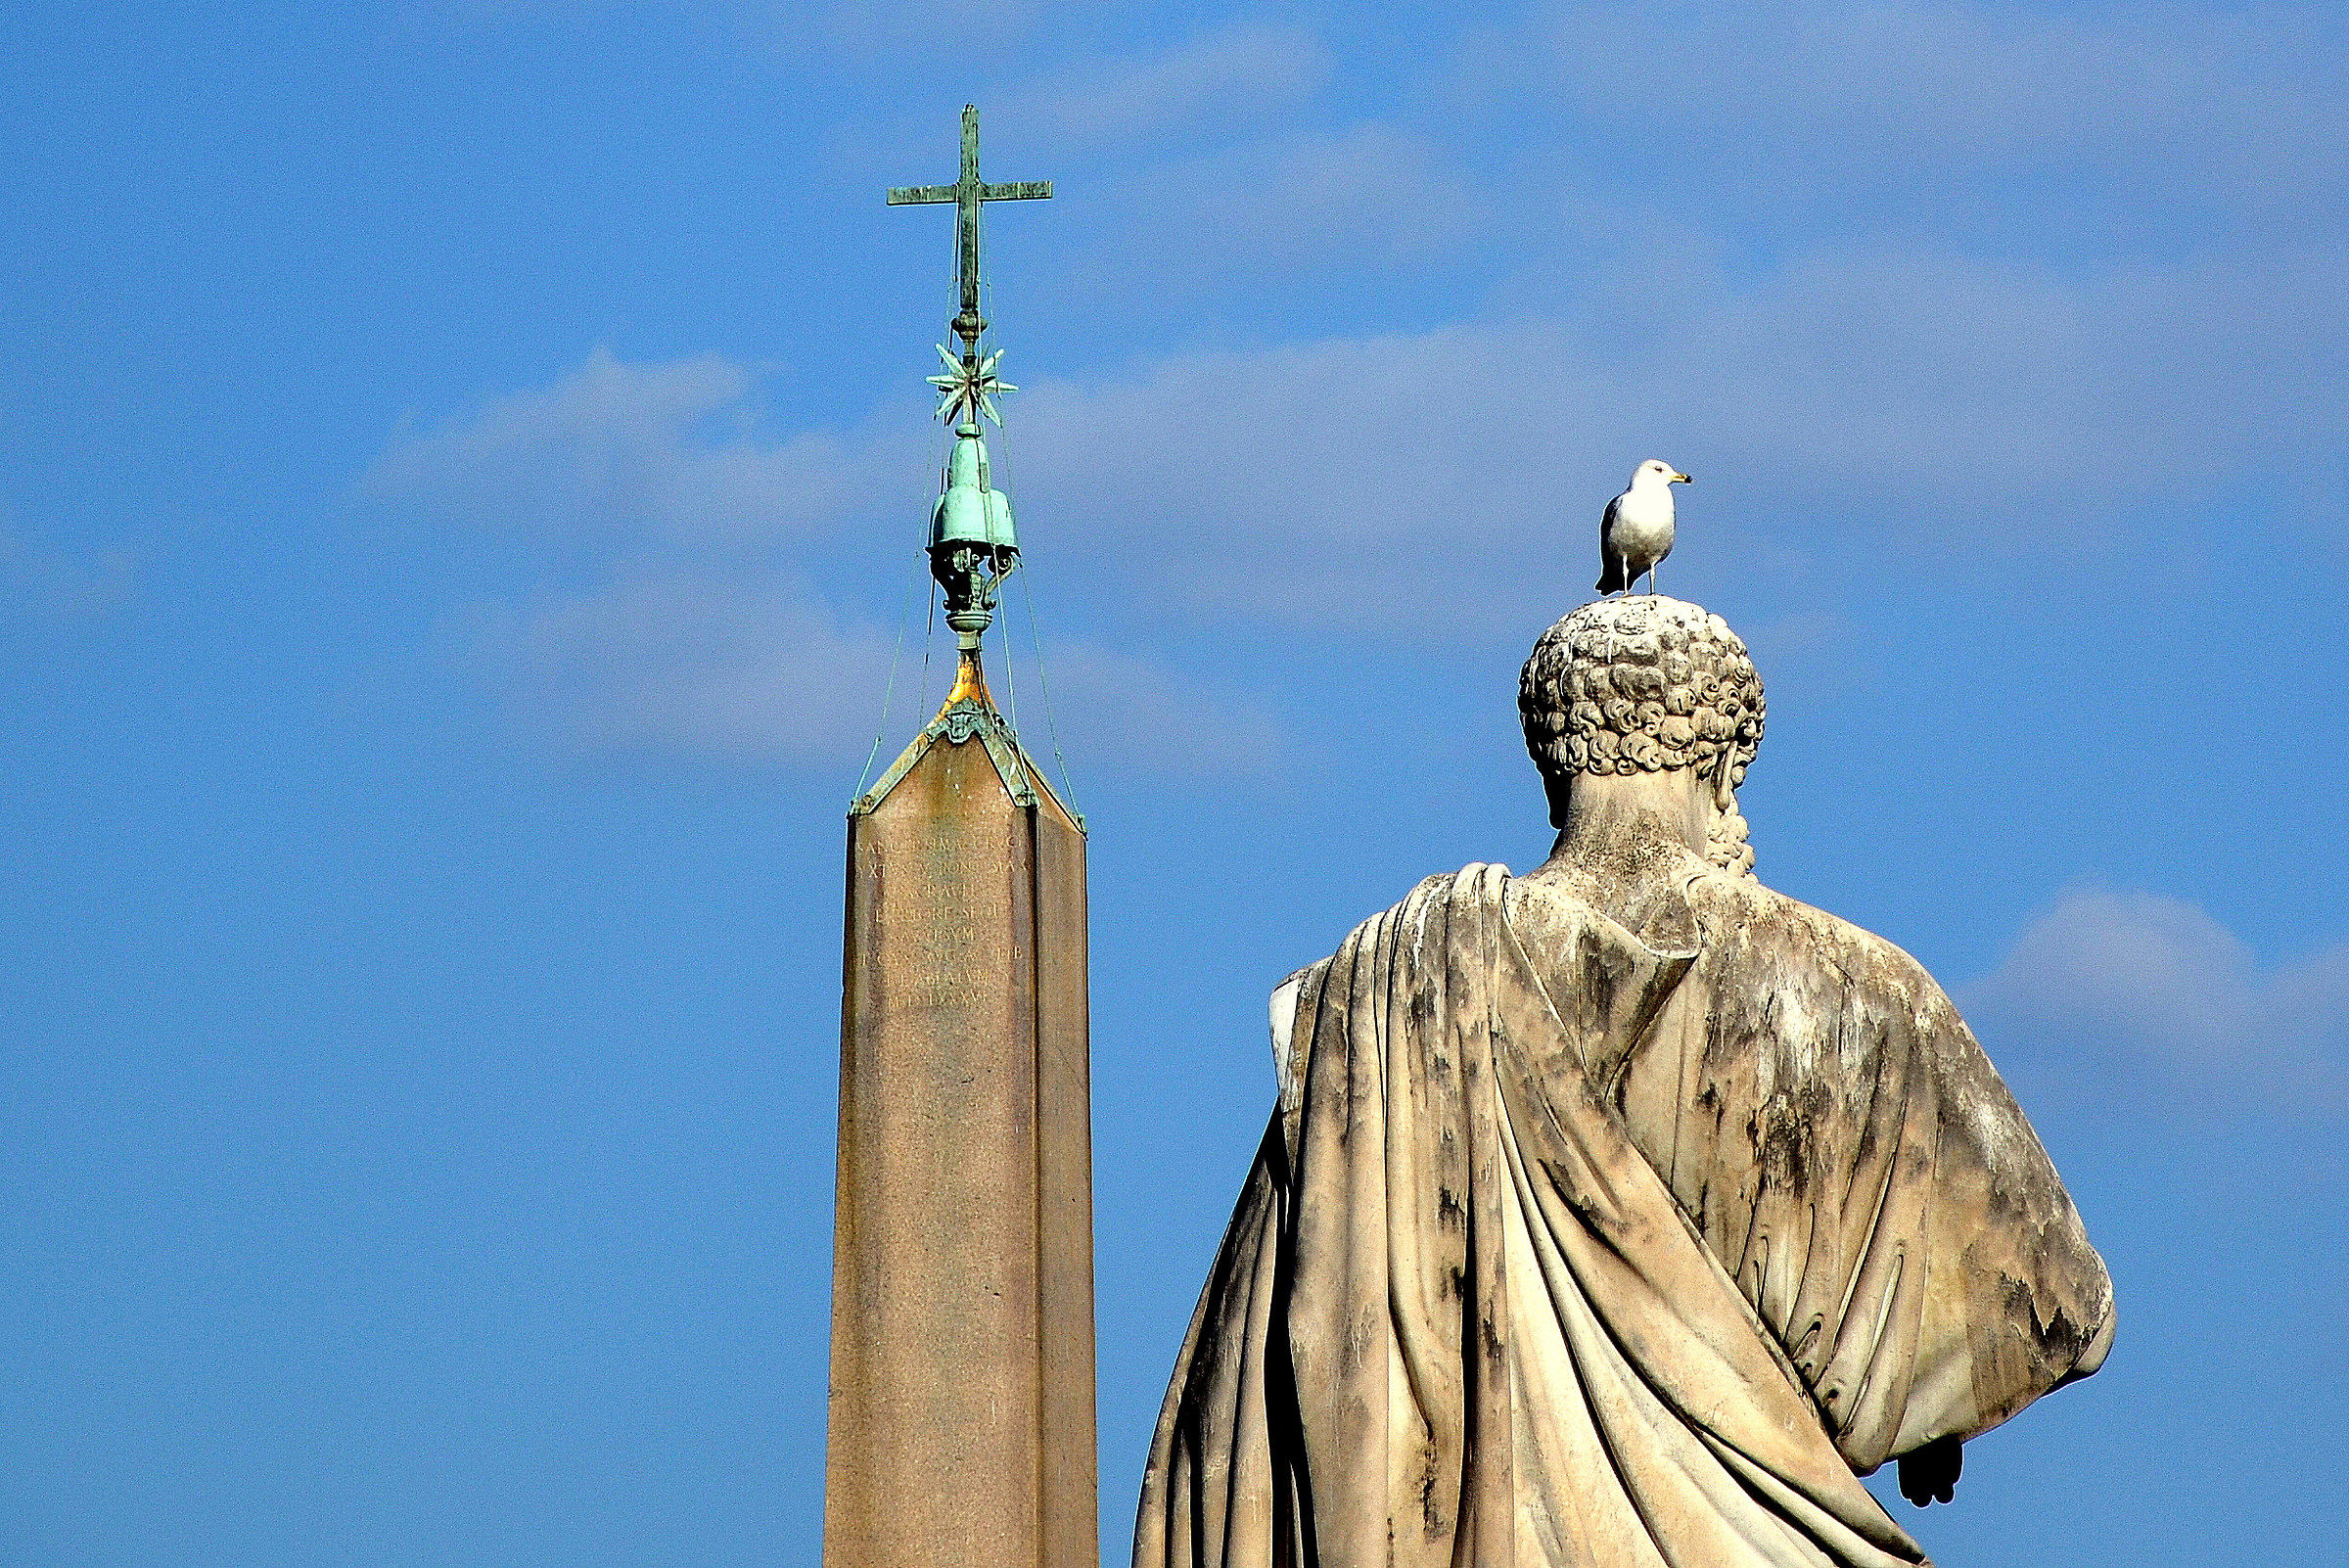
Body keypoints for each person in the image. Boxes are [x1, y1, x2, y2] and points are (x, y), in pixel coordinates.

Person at [1134, 596, 2113, 1568]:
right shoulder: (1858, 990)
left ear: (1549, 762)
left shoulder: (1393, 1008)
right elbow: (2062, 1312)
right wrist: (1919, 1389)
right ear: (1726, 766)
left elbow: (1237, 1407)